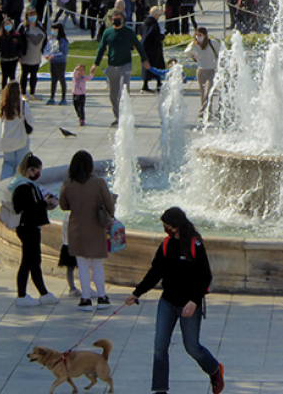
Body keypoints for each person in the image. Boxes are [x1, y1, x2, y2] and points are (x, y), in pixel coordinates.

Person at [126, 207, 225, 394]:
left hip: (189, 304)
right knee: (159, 347)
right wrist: (137, 293)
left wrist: (194, 301)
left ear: (177, 226)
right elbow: (155, 272)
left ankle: (214, 370)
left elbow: (206, 277)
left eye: (167, 226)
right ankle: (160, 390)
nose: (166, 230)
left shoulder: (195, 245)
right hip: (167, 302)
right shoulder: (166, 245)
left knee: (192, 347)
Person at [59, 150, 116, 311]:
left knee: (82, 265)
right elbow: (109, 207)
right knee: (97, 264)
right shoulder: (98, 183)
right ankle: (102, 297)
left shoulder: (68, 183)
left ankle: (85, 299)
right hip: (95, 228)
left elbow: (63, 205)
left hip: (76, 228)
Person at [10, 153, 60, 306]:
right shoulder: (25, 186)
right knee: (28, 261)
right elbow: (28, 208)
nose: (38, 175)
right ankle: (23, 295)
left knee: (33, 261)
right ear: (30, 170)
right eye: (37, 171)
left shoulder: (20, 184)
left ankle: (42, 293)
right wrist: (45, 203)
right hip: (29, 228)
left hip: (27, 227)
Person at [91, 11, 150, 126]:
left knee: (124, 90)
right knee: (113, 93)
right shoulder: (108, 32)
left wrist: (144, 59)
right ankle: (117, 116)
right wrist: (95, 64)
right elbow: (101, 48)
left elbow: (138, 45)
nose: (115, 21)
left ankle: (125, 116)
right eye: (114, 19)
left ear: (122, 19)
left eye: (118, 19)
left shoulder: (128, 32)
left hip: (125, 64)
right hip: (112, 65)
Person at [0, 81, 35, 181]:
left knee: (8, 163)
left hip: (7, 139)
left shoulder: (3, 105)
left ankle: (4, 184)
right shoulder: (22, 104)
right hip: (20, 138)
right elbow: (30, 121)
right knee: (21, 164)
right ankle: (18, 184)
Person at [186, 27, 224, 117]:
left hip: (211, 71)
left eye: (200, 35)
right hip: (200, 71)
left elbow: (221, 53)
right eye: (196, 35)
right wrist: (193, 57)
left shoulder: (212, 43)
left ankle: (204, 110)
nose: (198, 37)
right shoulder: (194, 45)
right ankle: (206, 111)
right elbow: (187, 52)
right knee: (203, 92)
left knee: (208, 91)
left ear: (205, 35)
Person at [18, 8, 46, 101]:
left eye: (33, 15)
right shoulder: (23, 27)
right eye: (30, 15)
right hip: (26, 54)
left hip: (37, 55)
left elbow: (44, 37)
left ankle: (33, 93)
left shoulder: (40, 26)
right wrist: (19, 54)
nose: (32, 17)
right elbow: (18, 40)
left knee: (34, 75)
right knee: (25, 74)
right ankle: (23, 93)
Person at [0, 17, 23, 90]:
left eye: (9, 24)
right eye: (6, 24)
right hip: (3, 59)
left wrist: (18, 54)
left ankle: (13, 92)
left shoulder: (16, 35)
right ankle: (3, 92)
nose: (8, 26)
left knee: (12, 76)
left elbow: (21, 46)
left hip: (13, 59)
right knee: (4, 76)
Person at [142, 7, 166, 92]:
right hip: (155, 48)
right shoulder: (154, 24)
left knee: (146, 66)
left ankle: (145, 84)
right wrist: (162, 36)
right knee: (157, 65)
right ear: (156, 15)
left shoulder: (145, 23)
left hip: (146, 48)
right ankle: (158, 83)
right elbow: (156, 37)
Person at [45, 23, 69, 105]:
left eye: (55, 29)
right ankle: (52, 97)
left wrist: (53, 56)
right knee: (53, 80)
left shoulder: (62, 40)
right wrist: (47, 55)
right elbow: (48, 48)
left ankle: (63, 97)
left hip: (60, 62)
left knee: (61, 79)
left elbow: (63, 53)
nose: (53, 31)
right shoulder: (52, 39)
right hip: (53, 62)